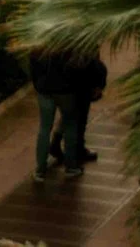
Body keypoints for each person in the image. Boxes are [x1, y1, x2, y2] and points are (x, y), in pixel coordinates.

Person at [28, 45, 103, 179]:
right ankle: (71, 167)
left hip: (44, 89)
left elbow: (33, 65)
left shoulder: (39, 43)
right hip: (66, 90)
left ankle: (40, 170)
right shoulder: (69, 41)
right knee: (70, 125)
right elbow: (87, 63)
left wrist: (38, 84)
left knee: (44, 128)